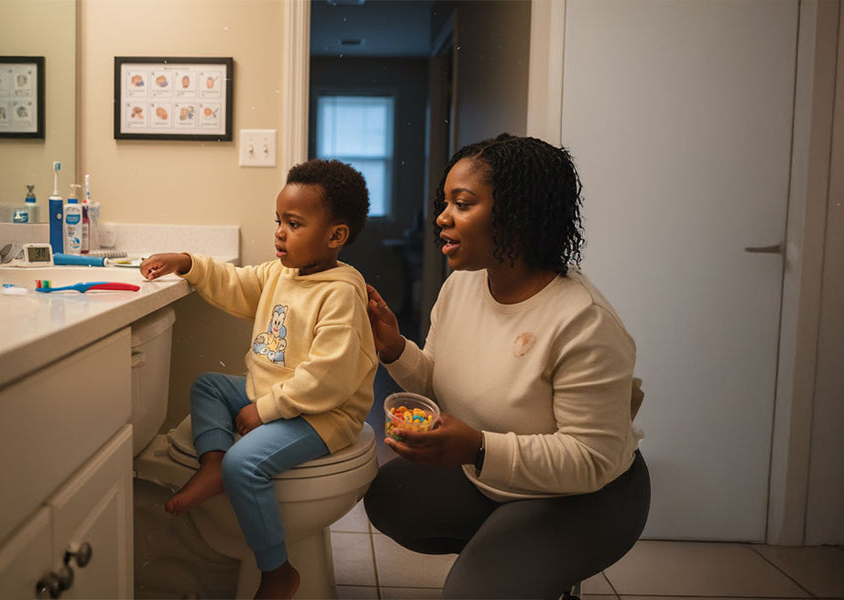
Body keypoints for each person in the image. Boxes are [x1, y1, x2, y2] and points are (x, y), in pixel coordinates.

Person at [364, 134, 650, 599]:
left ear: (516, 215)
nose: (442, 217)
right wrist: (395, 348)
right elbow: (439, 380)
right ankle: (506, 550)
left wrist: (477, 448)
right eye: (445, 202)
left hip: (585, 496)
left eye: (462, 203)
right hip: (493, 476)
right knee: (390, 497)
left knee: (473, 593)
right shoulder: (462, 286)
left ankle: (519, 561)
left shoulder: (583, 321)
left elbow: (590, 458)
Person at [139, 159, 377, 600]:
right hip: (275, 396)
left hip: (325, 415)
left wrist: (264, 409)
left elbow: (328, 378)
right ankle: (211, 465)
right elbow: (236, 282)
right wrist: (187, 262)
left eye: (295, 223)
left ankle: (278, 571)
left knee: (243, 464)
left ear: (336, 236)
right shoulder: (281, 273)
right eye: (279, 221)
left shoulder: (340, 292)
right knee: (208, 384)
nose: (280, 232)